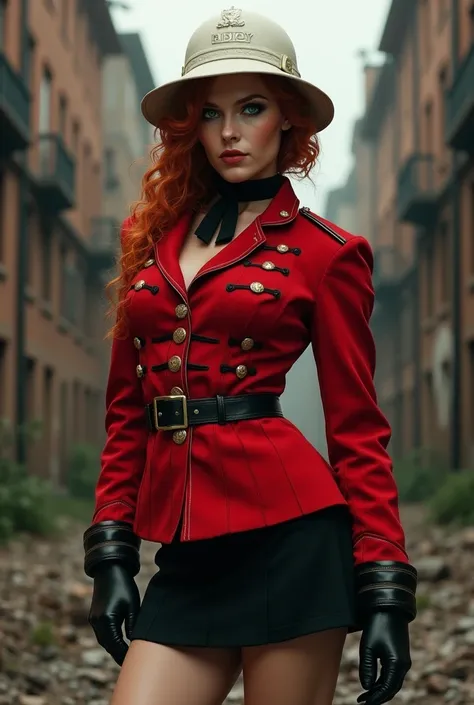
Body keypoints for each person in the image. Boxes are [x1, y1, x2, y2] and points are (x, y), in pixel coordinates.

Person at [83, 7, 417, 705]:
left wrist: (386, 585)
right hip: (188, 549)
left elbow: (357, 428)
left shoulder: (328, 253)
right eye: (211, 112)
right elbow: (127, 410)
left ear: (288, 118)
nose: (231, 132)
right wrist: (110, 546)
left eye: (253, 108)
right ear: (190, 124)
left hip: (293, 546)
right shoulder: (147, 238)